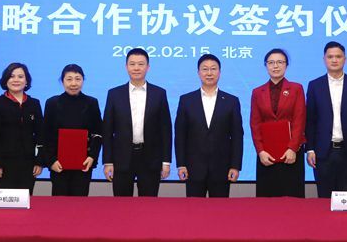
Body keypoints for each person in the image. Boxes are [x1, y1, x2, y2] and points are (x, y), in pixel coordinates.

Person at [102, 48, 172, 197]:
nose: (136, 68)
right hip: (122, 158)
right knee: (122, 204)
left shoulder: (159, 93)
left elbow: (166, 130)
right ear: (126, 67)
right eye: (132, 64)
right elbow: (107, 130)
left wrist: (166, 161)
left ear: (148, 67)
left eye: (141, 64)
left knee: (148, 204)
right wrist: (107, 162)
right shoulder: (114, 94)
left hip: (150, 158)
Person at [305, 41, 347, 198]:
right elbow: (310, 120)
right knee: (324, 197)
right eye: (330, 57)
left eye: (338, 56)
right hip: (322, 152)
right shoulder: (314, 85)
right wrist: (310, 149)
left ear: (345, 59)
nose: (334, 60)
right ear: (324, 59)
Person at [175, 54, 244, 197]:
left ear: (220, 72)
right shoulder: (186, 100)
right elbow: (180, 135)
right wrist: (181, 164)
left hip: (222, 169)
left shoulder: (231, 101)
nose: (209, 73)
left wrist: (235, 166)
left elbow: (237, 136)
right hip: (193, 169)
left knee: (220, 209)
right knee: (194, 208)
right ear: (198, 72)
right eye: (205, 69)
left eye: (213, 69)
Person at [250, 48, 306, 198]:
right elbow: (255, 124)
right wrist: (260, 151)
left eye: (280, 62)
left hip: (291, 154)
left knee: (292, 199)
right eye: (271, 62)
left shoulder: (296, 88)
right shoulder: (257, 92)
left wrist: (293, 148)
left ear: (286, 65)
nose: (275, 66)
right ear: (266, 65)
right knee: (267, 200)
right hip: (266, 155)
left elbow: (299, 119)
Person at [41, 64, 102, 196]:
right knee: (59, 203)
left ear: (83, 80)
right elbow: (46, 135)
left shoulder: (91, 103)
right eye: (69, 79)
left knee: (80, 203)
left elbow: (98, 133)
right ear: (62, 81)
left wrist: (92, 157)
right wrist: (51, 161)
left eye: (78, 79)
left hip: (84, 163)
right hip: (58, 164)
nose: (73, 83)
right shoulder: (52, 103)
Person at [0, 63, 45, 194]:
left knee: (25, 200)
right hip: (3, 164)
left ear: (27, 81)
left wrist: (40, 162)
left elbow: (41, 134)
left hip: (28, 163)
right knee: (5, 202)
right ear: (5, 80)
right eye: (11, 76)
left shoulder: (34, 103)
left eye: (20, 76)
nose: (16, 80)